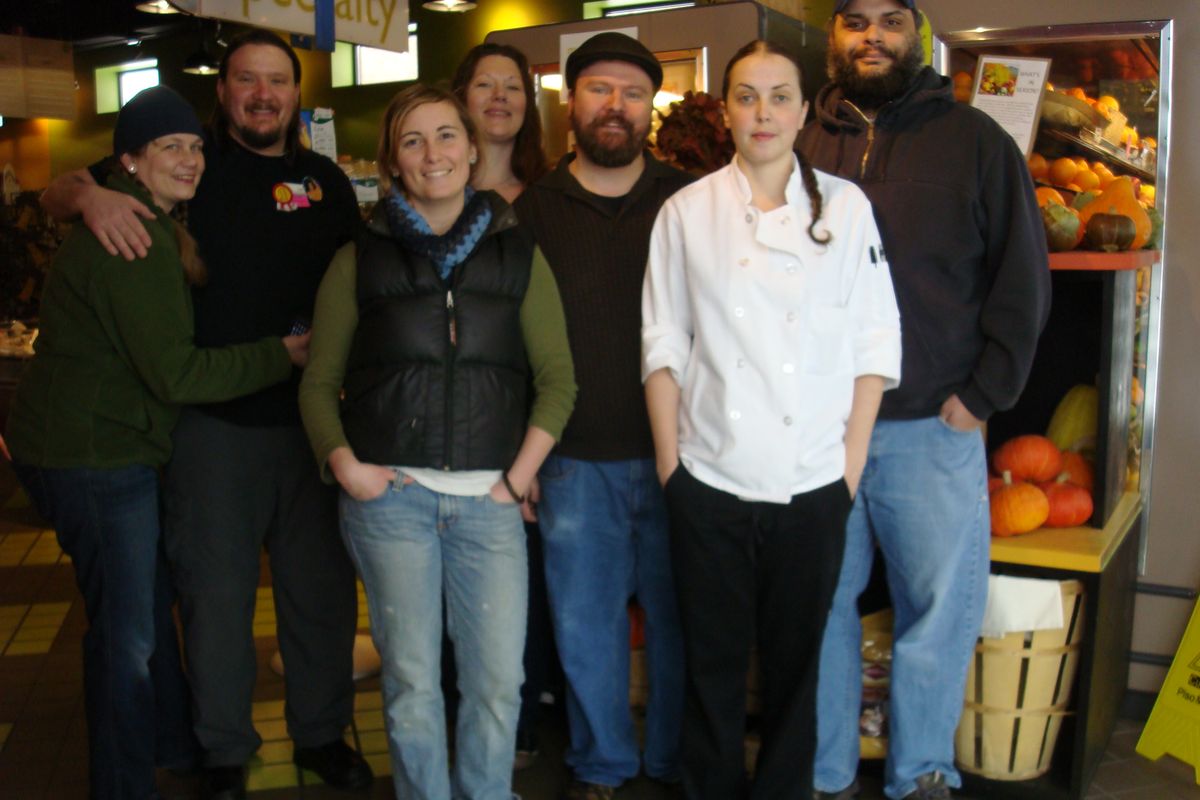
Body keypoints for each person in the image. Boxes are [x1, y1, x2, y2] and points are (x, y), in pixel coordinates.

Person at [39, 29, 371, 799]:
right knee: (214, 599)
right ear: (223, 93)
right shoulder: (183, 165)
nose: (263, 94)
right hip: (210, 429)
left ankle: (321, 733)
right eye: (246, 80)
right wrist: (88, 193)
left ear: (296, 94)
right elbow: (57, 192)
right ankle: (224, 745)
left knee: (319, 595)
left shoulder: (323, 180)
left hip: (316, 428)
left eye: (277, 82)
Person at [4, 86, 308, 800]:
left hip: (96, 446)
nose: (190, 159)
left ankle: (172, 745)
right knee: (127, 637)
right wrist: (284, 354)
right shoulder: (132, 241)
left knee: (142, 609)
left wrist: (80, 192)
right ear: (130, 161)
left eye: (195, 145)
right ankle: (124, 783)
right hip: (96, 457)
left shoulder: (142, 215)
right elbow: (176, 373)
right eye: (169, 146)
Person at [797, 2, 1052, 799]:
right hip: (818, 429)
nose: (871, 35)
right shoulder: (799, 143)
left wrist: (981, 399)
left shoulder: (977, 142)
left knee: (937, 611)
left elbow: (1022, 280)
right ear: (832, 36)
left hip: (930, 425)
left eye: (890, 21)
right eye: (852, 20)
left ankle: (922, 774)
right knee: (818, 611)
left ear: (919, 35)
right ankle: (827, 774)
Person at [298, 83, 576, 800]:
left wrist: (516, 481)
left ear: (472, 147)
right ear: (394, 160)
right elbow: (318, 381)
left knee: (495, 680)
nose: (434, 154)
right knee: (412, 681)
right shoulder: (358, 259)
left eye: (447, 135)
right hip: (392, 504)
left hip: (488, 506)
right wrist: (346, 466)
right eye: (414, 140)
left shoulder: (517, 253)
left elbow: (558, 382)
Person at [642, 40, 901, 800]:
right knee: (710, 667)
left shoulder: (847, 210)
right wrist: (672, 470)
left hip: (813, 483)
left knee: (798, 670)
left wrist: (845, 475)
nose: (763, 113)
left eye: (779, 95)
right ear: (726, 111)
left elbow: (874, 347)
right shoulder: (686, 213)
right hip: (710, 480)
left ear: (802, 109)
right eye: (747, 96)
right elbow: (663, 345)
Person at [513, 31, 692, 800]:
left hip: (681, 454)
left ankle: (678, 757)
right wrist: (519, 458)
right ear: (570, 102)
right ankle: (602, 764)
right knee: (585, 630)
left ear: (650, 106)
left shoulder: (690, 201)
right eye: (598, 89)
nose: (614, 105)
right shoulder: (532, 211)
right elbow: (508, 343)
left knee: (683, 621)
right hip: (571, 458)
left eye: (630, 92)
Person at [451, 41, 554, 770]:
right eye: (483, 85)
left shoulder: (549, 198)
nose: (498, 98)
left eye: (511, 87)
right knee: (457, 597)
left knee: (529, 591)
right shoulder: (431, 195)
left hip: (538, 424)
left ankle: (518, 730)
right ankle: (469, 731)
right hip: (455, 428)